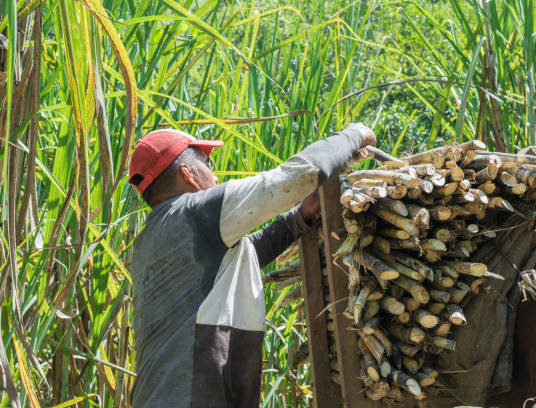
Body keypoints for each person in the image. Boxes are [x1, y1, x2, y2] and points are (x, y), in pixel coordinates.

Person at [128, 124, 376, 407]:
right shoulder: (197, 211)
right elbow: (293, 178)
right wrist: (353, 135)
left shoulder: (149, 240)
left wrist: (299, 217)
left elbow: (237, 263)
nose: (214, 173)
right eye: (207, 163)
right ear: (188, 174)